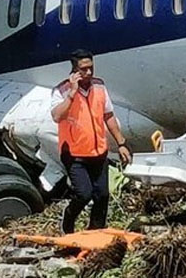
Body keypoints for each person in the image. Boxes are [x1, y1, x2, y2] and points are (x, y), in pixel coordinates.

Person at [51, 49, 132, 234]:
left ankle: (96, 231)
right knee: (83, 194)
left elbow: (108, 116)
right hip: (74, 153)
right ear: (74, 70)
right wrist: (72, 93)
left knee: (102, 195)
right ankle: (67, 223)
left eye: (91, 68)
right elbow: (57, 116)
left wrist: (121, 143)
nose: (88, 73)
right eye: (83, 69)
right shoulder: (61, 91)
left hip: (98, 152)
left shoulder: (99, 87)